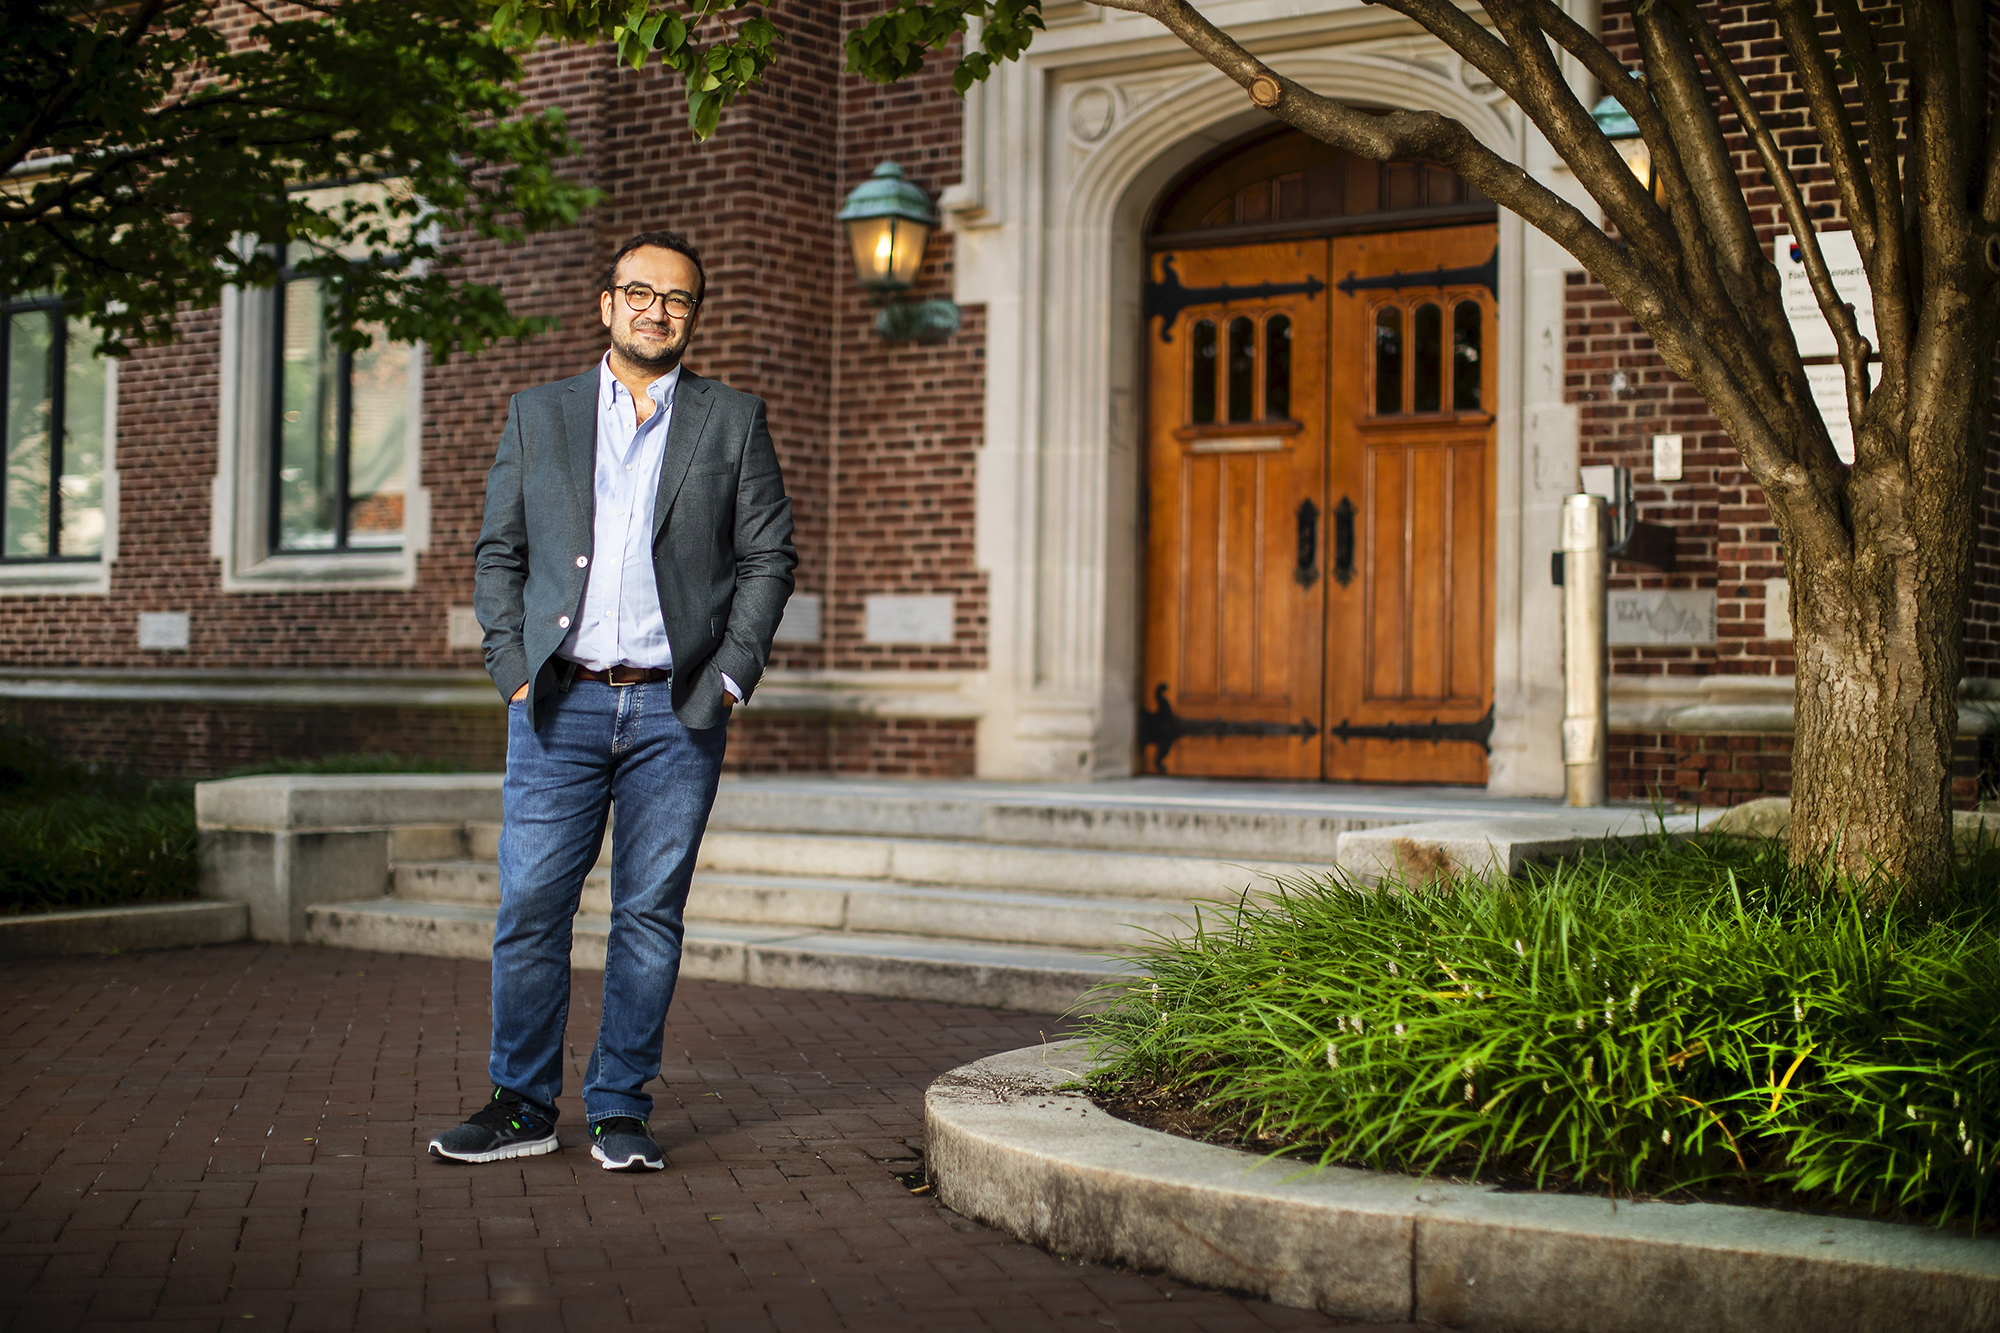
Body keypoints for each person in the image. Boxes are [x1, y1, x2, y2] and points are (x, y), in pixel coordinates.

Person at [431, 230, 795, 1171]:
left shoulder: (733, 418)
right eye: (638, 292)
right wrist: (512, 666)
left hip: (677, 712)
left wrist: (727, 675)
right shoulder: (539, 415)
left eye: (676, 299)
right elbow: (499, 554)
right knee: (532, 909)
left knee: (647, 914)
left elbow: (767, 558)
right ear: (606, 304)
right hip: (560, 703)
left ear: (692, 316)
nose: (655, 310)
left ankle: (619, 1106)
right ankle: (520, 1104)